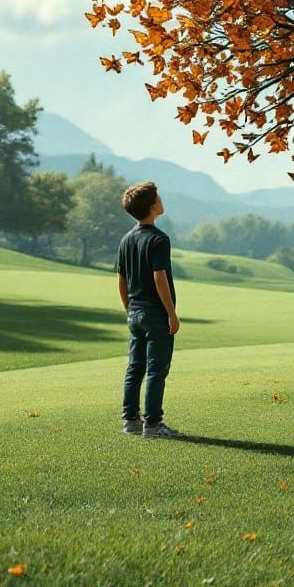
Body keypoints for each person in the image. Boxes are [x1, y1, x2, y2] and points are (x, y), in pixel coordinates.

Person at [114, 181, 183, 439]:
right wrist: (171, 313)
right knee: (156, 369)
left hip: (135, 312)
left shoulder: (126, 240)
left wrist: (128, 309)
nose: (162, 200)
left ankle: (131, 420)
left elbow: (122, 279)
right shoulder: (159, 239)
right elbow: (160, 278)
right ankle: (153, 425)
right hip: (156, 315)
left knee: (135, 367)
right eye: (159, 197)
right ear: (153, 206)